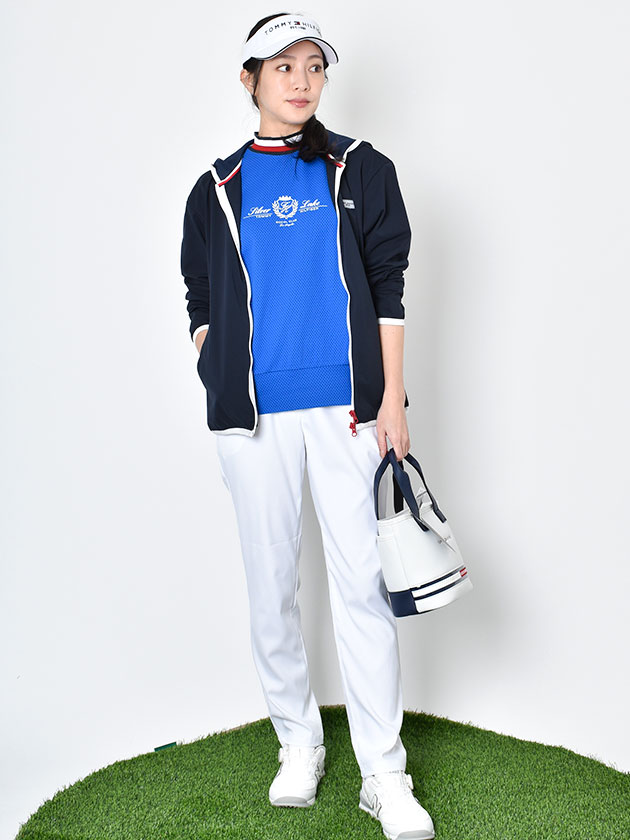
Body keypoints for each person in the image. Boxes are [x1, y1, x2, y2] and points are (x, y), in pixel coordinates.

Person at [180, 11, 435, 840]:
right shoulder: (216, 187)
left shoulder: (362, 168)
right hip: (252, 419)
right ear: (249, 79)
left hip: (349, 410)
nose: (300, 80)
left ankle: (383, 774)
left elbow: (389, 283)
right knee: (270, 588)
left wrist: (391, 399)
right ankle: (299, 743)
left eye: (313, 66)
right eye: (282, 66)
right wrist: (217, 360)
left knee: (362, 586)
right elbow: (200, 293)